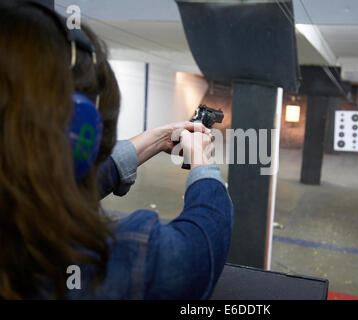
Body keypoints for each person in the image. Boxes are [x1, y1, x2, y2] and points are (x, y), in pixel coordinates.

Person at [0, 2, 233, 300]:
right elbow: (202, 246)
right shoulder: (112, 263)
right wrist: (202, 162)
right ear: (81, 132)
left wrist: (155, 139)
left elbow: (53, 183)